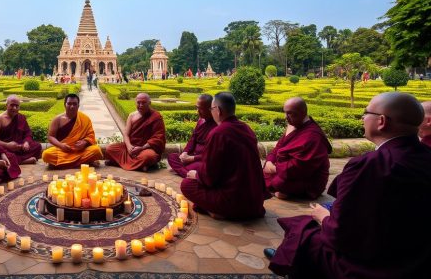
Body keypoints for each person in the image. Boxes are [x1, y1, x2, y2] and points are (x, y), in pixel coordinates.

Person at [267, 92, 431, 277]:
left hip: (375, 263)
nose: (362, 118)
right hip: (416, 257)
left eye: (366, 112)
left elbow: (340, 234)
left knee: (303, 230)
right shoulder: (425, 156)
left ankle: (289, 258)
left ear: (382, 121)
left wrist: (325, 218)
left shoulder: (371, 165)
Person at [180, 92, 269, 220]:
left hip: (232, 199)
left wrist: (197, 175)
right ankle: (216, 208)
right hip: (254, 199)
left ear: (218, 110)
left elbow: (209, 176)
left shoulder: (218, 133)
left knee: (187, 184)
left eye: (211, 109)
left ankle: (219, 210)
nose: (211, 112)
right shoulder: (247, 128)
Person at [263, 97, 332, 200]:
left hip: (306, 178)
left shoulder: (313, 136)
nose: (285, 117)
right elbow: (278, 148)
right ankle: (284, 191)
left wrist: (274, 168)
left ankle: (288, 192)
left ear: (302, 112)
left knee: (280, 182)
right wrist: (269, 161)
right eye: (285, 113)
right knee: (260, 172)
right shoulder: (293, 125)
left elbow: (300, 167)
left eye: (290, 113)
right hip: (284, 171)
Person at [104, 93, 166, 171]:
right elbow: (126, 134)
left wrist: (142, 148)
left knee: (149, 156)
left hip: (145, 148)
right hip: (131, 147)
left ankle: (120, 163)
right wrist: (129, 146)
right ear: (135, 102)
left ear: (149, 103)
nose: (140, 105)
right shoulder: (132, 115)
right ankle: (141, 166)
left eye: (143, 103)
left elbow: (158, 137)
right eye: (138, 102)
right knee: (110, 149)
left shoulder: (156, 116)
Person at [42, 94, 103, 169]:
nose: (72, 106)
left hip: (80, 151)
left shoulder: (84, 118)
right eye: (69, 103)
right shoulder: (57, 119)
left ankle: (61, 164)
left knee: (96, 150)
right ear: (65, 104)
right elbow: (50, 136)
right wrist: (61, 145)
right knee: (46, 155)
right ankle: (84, 163)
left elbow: (91, 135)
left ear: (78, 105)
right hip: (63, 151)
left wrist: (84, 142)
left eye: (74, 104)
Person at [167, 94, 217, 177]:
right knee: (172, 157)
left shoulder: (217, 125)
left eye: (200, 109)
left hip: (202, 159)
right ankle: (189, 173)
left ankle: (186, 173)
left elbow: (212, 154)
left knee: (201, 166)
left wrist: (192, 158)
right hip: (191, 156)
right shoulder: (201, 121)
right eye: (197, 107)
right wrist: (185, 153)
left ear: (209, 109)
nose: (197, 111)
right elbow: (192, 140)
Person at [0, 95, 43, 164]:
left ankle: (17, 160)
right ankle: (23, 161)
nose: (14, 108)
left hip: (19, 147)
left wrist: (26, 142)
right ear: (6, 105)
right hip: (5, 147)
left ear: (19, 107)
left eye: (17, 106)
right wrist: (7, 145)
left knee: (38, 146)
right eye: (12, 105)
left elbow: (28, 133)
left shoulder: (21, 117)